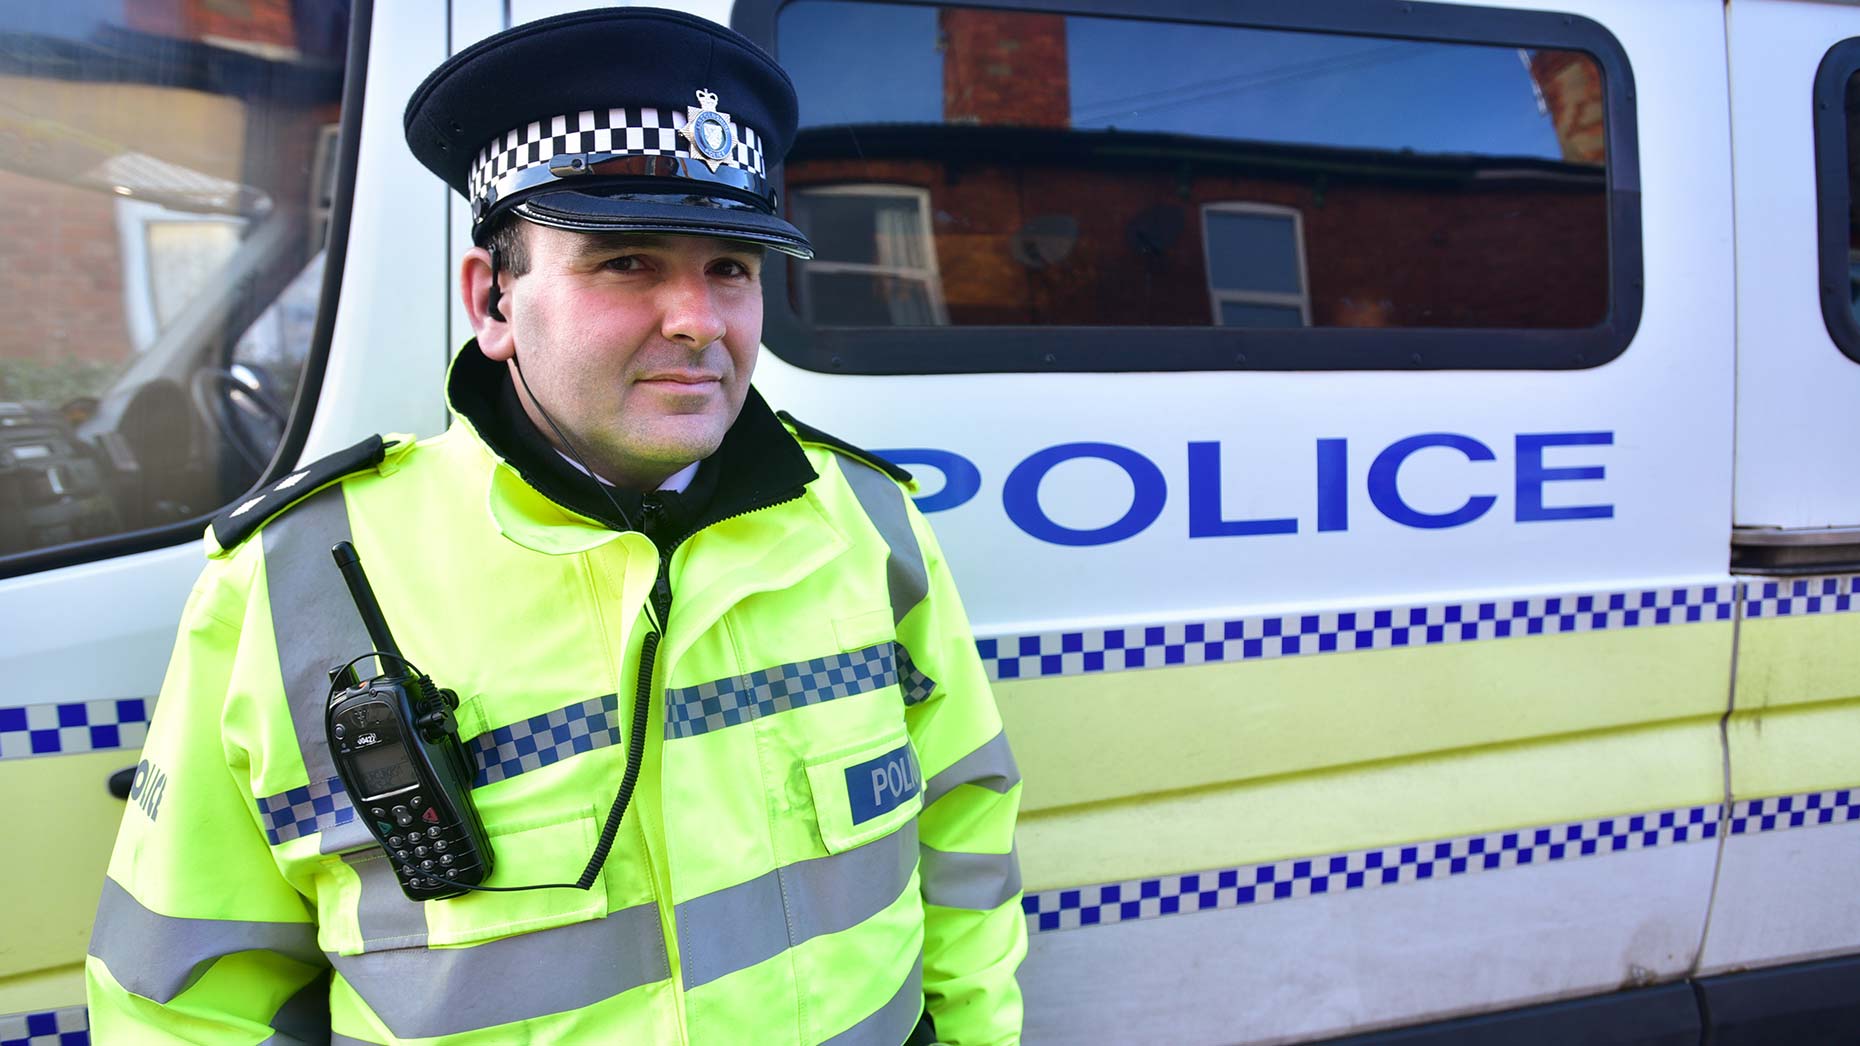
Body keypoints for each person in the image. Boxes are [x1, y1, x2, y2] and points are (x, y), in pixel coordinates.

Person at [84, 9, 1025, 1044]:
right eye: (626, 262)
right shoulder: (298, 581)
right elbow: (181, 998)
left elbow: (964, 842)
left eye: (732, 268)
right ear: (493, 299)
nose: (699, 321)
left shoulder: (867, 520)